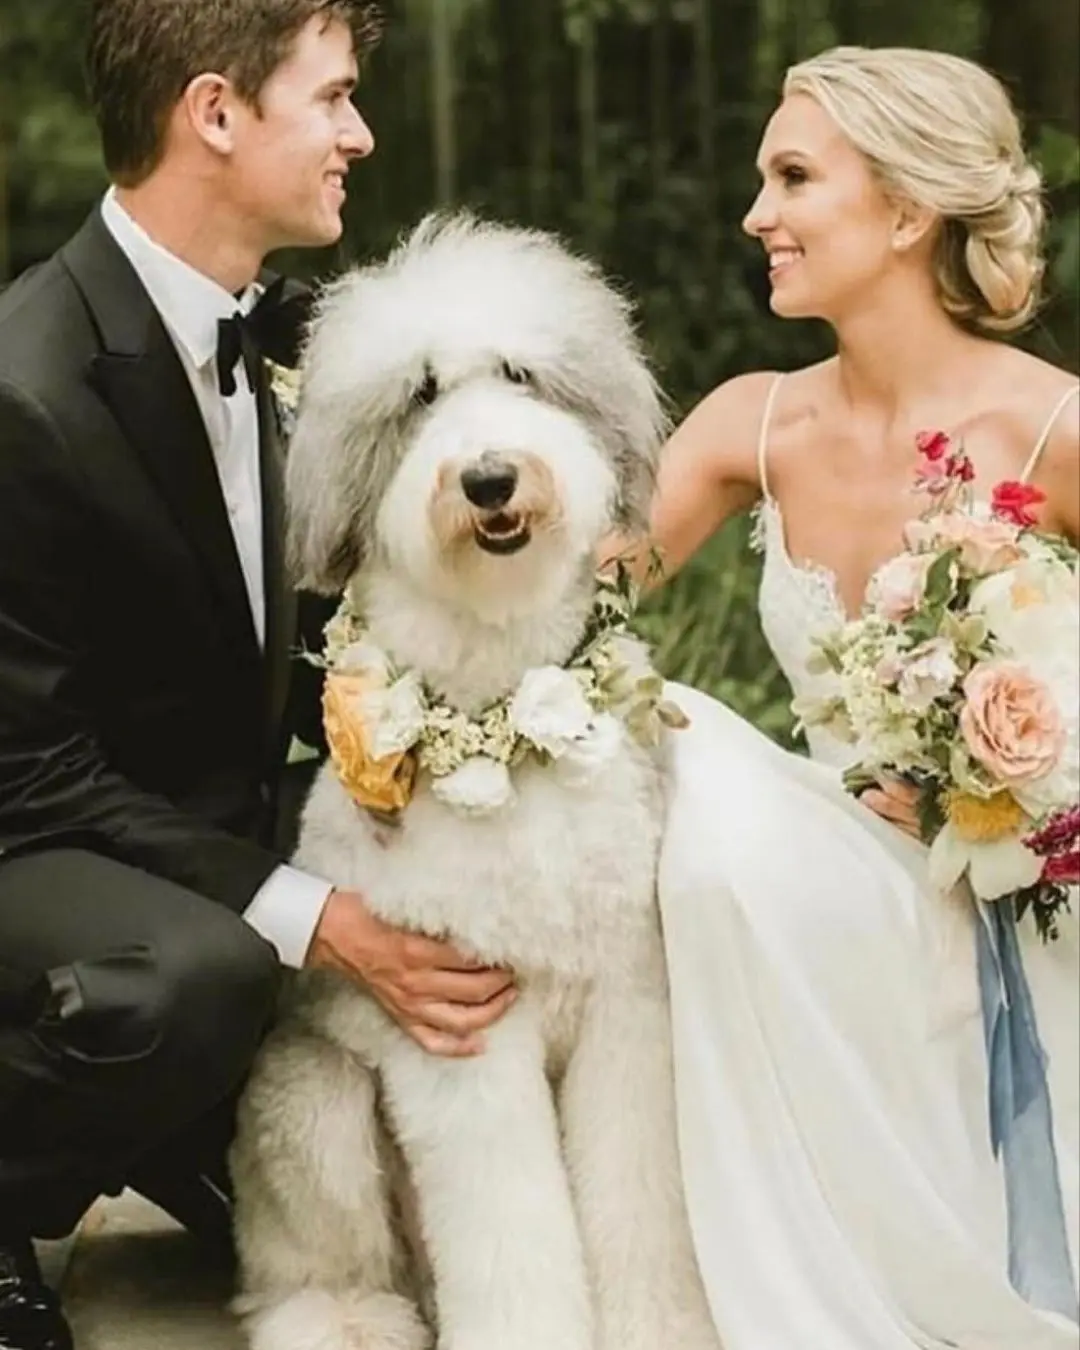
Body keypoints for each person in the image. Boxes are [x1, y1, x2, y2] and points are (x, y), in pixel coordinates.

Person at [0, 3, 517, 1347]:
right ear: (216, 113)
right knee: (205, 977)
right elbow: (32, 771)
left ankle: (186, 1120)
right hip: (37, 839)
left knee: (484, 839)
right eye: (333, 98)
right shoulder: (27, 389)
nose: (363, 133)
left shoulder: (295, 340)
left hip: (205, 809)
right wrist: (312, 912)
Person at [632, 46, 1079, 1350]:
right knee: (680, 754)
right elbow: (562, 604)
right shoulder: (748, 425)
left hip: (1017, 900)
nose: (754, 215)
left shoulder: (1052, 428)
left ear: (903, 211)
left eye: (791, 177)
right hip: (823, 869)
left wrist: (1026, 797)